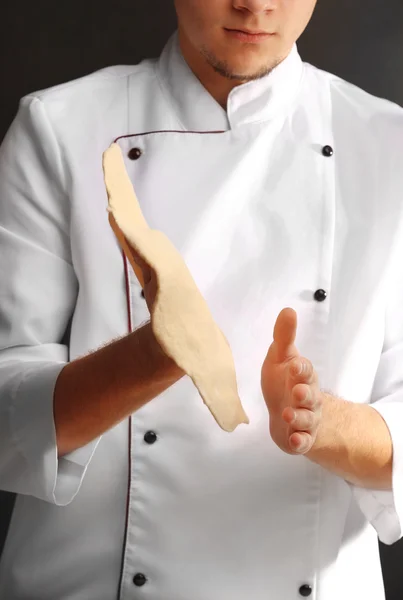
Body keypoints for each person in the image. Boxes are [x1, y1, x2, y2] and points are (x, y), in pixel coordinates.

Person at [0, 0, 402, 598]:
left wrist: (318, 421)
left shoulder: (389, 147)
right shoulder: (59, 128)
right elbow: (7, 412)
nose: (256, 4)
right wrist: (155, 356)